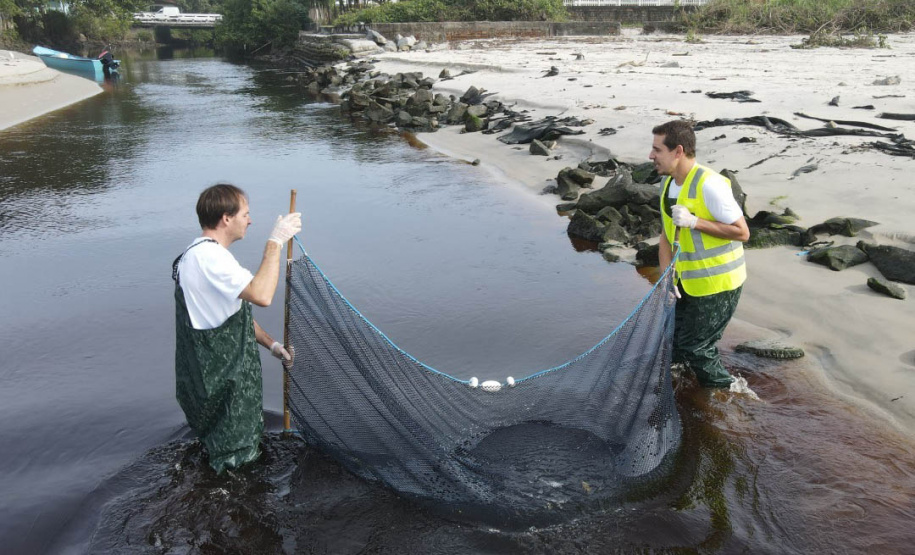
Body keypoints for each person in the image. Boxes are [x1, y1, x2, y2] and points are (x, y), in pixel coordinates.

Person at [172, 183, 301, 472]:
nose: (250, 220)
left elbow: (231, 316)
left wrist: (273, 346)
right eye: (245, 213)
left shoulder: (194, 255)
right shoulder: (211, 258)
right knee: (236, 470)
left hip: (209, 391)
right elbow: (262, 294)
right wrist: (275, 243)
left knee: (218, 462)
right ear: (226, 218)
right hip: (227, 393)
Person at [649, 120, 750, 387]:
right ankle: (688, 391)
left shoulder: (710, 185)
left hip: (718, 284)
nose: (651, 156)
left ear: (678, 151)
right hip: (686, 283)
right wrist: (666, 279)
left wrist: (696, 222)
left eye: (657, 150)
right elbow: (665, 235)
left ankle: (729, 393)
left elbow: (742, 232)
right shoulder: (667, 185)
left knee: (697, 349)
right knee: (674, 344)